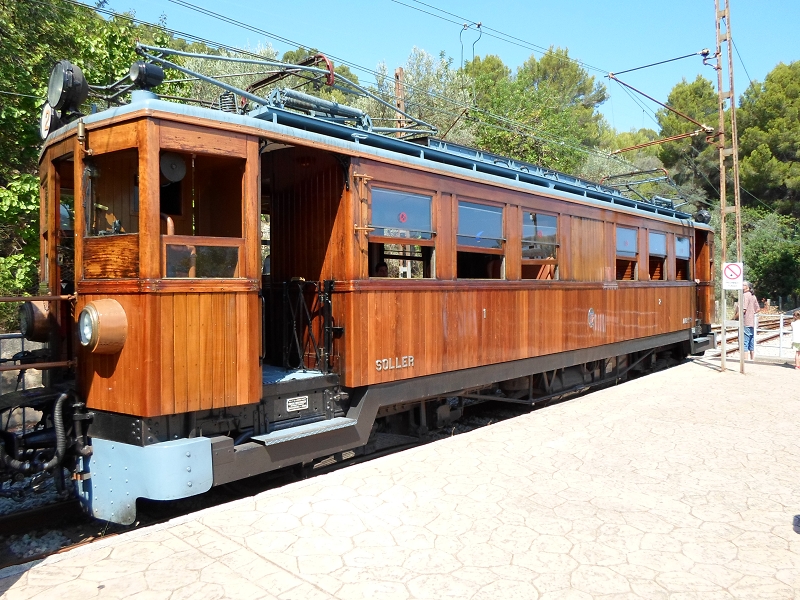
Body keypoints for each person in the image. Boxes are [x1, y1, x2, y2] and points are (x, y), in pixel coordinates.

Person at [742, 281, 760, 361]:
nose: (742, 286)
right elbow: (758, 309)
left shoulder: (745, 295)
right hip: (752, 322)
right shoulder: (753, 296)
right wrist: (752, 313)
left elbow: (744, 309)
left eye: (743, 285)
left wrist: (735, 317)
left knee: (744, 342)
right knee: (751, 340)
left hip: (746, 321)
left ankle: (745, 360)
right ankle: (752, 359)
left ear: (748, 287)